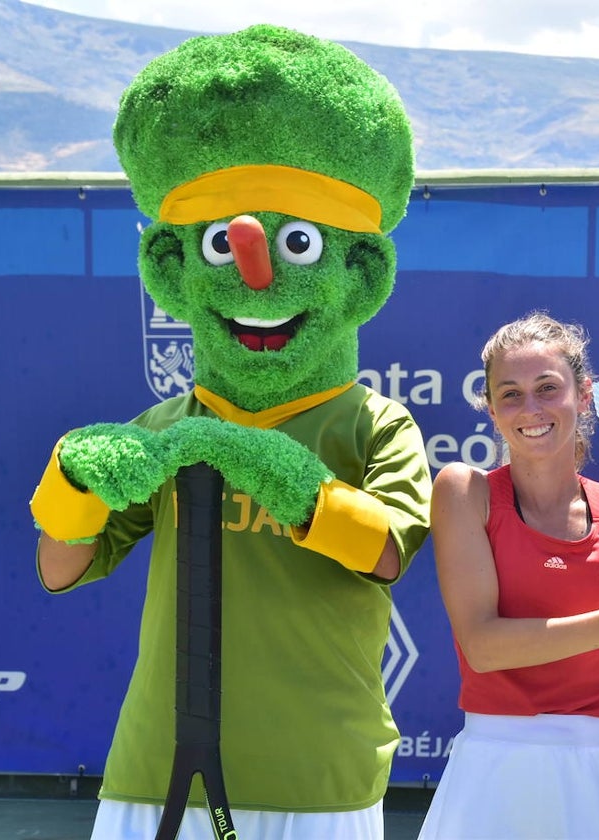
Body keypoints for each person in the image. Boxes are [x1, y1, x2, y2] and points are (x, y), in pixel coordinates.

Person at [29, 26, 431, 839]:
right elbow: (59, 571)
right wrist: (71, 479)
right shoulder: (164, 429)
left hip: (322, 776)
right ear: (172, 270)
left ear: (360, 276)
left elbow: (386, 553)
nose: (256, 272)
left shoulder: (377, 424)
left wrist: (269, 465)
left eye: (298, 243)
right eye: (223, 242)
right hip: (156, 770)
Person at [419, 312, 599, 839]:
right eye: (510, 394)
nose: (531, 409)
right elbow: (483, 646)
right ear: (490, 407)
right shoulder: (464, 492)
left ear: (584, 394)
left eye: (548, 388)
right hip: (493, 769)